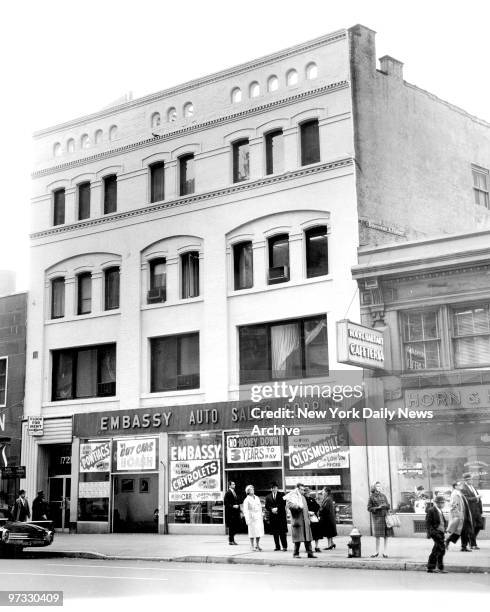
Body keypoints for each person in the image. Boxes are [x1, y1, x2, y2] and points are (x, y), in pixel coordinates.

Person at [284, 483, 316, 559]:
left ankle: (310, 553)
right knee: (297, 539)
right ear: (297, 489)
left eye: (303, 489)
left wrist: (308, 513)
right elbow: (289, 506)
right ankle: (295, 553)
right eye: (301, 489)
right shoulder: (292, 497)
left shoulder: (303, 497)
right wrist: (297, 507)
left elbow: (305, 508)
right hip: (297, 521)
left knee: (307, 538)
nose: (303, 491)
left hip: (305, 521)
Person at [367, 481, 393, 558]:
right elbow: (369, 508)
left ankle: (385, 552)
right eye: (377, 486)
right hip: (377, 518)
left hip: (385, 517)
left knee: (386, 536)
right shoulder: (371, 497)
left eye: (380, 486)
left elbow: (388, 505)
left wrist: (386, 506)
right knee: (377, 536)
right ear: (374, 488)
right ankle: (376, 552)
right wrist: (377, 508)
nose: (379, 487)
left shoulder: (384, 496)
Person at [426, 495, 449, 573]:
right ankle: (432, 567)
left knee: (439, 550)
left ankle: (438, 567)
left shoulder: (440, 510)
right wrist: (433, 533)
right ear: (437, 503)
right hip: (436, 533)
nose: (443, 504)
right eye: (442, 503)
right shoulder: (431, 510)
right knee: (439, 549)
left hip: (441, 532)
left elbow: (442, 521)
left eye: (443, 503)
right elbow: (428, 523)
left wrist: (445, 530)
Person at [461, 472, 483, 550]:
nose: (471, 480)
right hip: (470, 511)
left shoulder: (472, 487)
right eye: (470, 479)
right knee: (472, 527)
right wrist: (476, 497)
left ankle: (471, 539)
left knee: (480, 525)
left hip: (477, 510)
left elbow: (478, 498)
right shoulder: (463, 488)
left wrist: (480, 509)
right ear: (466, 480)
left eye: (471, 479)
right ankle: (473, 544)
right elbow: (467, 499)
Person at [264, 482, 288, 551]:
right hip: (273, 517)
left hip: (281, 516)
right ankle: (277, 546)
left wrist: (277, 508)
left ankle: (284, 546)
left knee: (282, 533)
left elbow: (283, 503)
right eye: (273, 488)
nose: (274, 489)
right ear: (271, 489)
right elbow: (266, 506)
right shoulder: (268, 496)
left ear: (277, 488)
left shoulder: (282, 494)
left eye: (275, 488)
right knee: (275, 533)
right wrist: (271, 509)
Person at [242, 485, 264, 551]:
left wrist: (261, 514)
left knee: (259, 531)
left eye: (253, 489)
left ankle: (257, 545)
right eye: (251, 489)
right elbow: (245, 510)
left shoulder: (257, 497)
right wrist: (247, 519)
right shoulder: (246, 500)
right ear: (248, 491)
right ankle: (252, 545)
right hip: (251, 517)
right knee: (252, 532)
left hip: (258, 516)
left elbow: (260, 506)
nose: (253, 490)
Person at [445, 482, 465, 549]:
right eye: (459, 485)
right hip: (457, 514)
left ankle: (448, 541)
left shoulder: (458, 493)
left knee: (458, 530)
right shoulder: (455, 494)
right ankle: (447, 541)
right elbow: (454, 505)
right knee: (457, 530)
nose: (461, 486)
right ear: (455, 486)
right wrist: (458, 514)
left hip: (460, 513)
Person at [305, 487, 323, 552]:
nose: (308, 493)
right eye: (306, 492)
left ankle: (316, 546)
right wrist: (308, 512)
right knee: (309, 533)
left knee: (316, 533)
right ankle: (309, 547)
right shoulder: (303, 500)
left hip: (313, 517)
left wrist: (314, 512)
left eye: (308, 492)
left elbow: (317, 506)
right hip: (307, 517)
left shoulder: (311, 499)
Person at [224, 481, 241, 545]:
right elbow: (225, 503)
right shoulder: (228, 493)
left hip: (235, 513)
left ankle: (231, 538)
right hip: (230, 514)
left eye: (234, 484)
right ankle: (231, 541)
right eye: (233, 484)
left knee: (236, 527)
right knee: (231, 527)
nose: (234, 485)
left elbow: (236, 501)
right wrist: (233, 506)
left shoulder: (234, 492)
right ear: (230, 485)